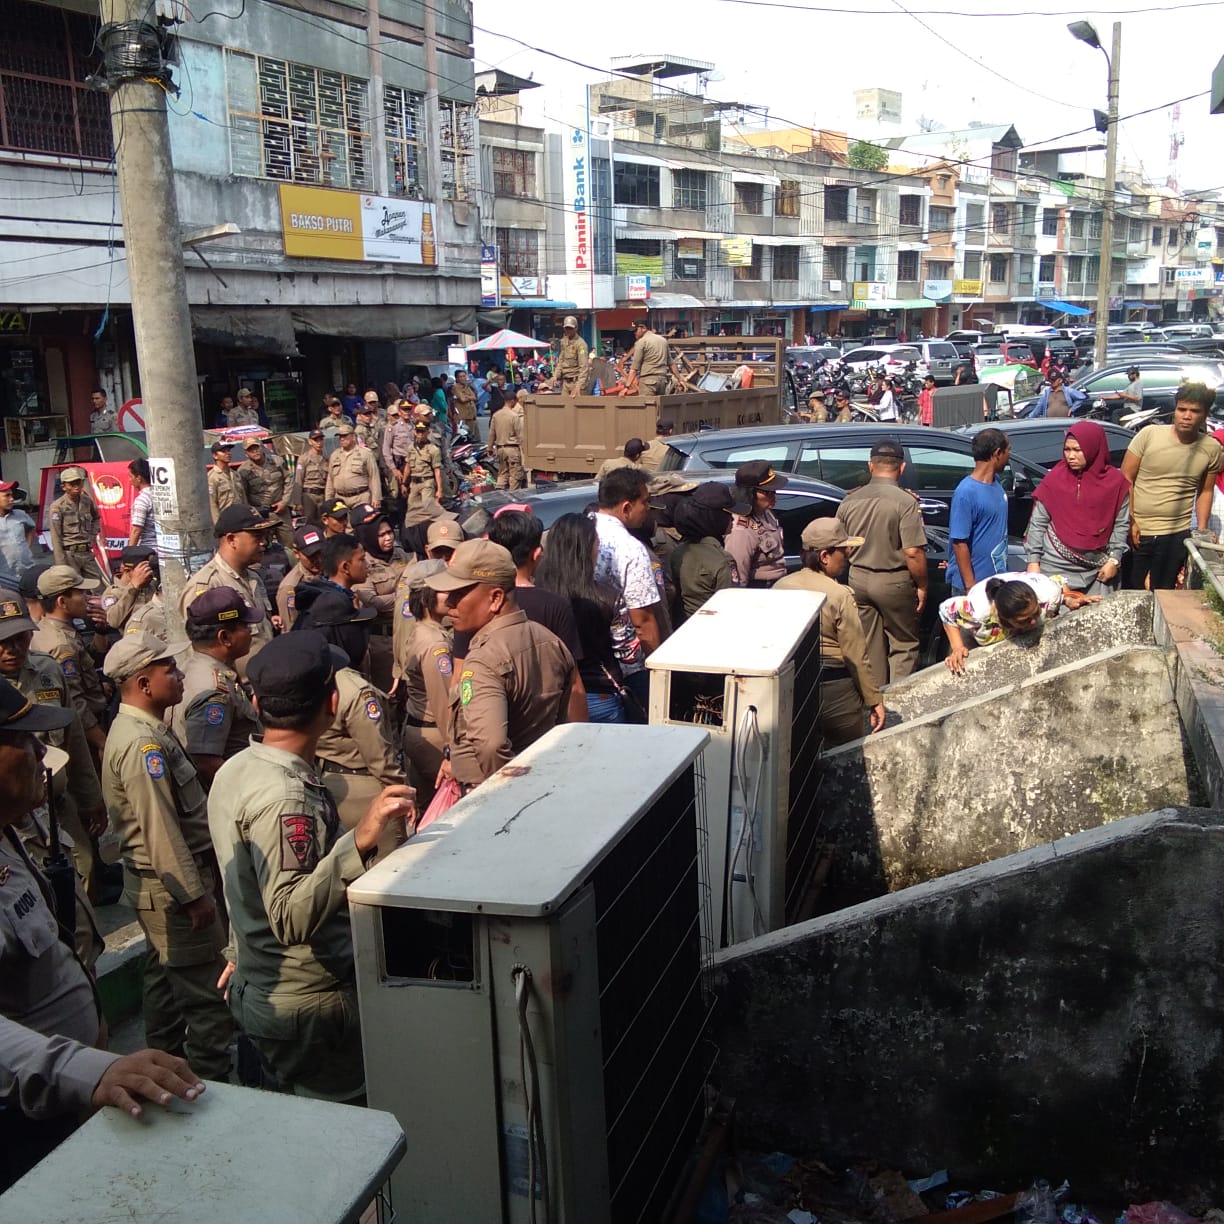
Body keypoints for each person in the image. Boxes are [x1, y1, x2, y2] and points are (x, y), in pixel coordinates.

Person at [207, 633, 415, 1101]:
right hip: (308, 1005)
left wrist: (239, 952)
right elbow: (289, 916)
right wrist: (361, 839)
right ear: (334, 701)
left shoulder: (238, 768)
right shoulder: (286, 796)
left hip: (264, 985)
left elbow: (242, 882)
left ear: (257, 701)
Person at [101, 634, 234, 1082]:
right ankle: (214, 1081)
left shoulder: (147, 732)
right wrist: (194, 896)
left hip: (161, 888)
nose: (179, 677)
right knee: (208, 996)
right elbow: (161, 830)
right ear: (143, 683)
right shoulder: (143, 746)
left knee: (164, 981)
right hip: (174, 887)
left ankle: (162, 1062)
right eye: (169, 671)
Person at [426, 540, 574, 790]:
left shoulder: (483, 660)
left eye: (459, 593)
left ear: (495, 598)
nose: (448, 602)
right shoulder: (550, 641)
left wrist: (511, 793)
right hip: (543, 779)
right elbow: (567, 724)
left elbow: (490, 745)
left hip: (492, 794)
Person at [0, 595, 107, 900]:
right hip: (13, 813)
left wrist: (90, 797)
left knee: (82, 869)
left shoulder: (48, 669)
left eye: (20, 638)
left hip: (58, 800)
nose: (13, 649)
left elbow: (73, 737)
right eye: (4, 641)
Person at [291, 584, 407, 858]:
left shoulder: (307, 673)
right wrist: (401, 792)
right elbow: (381, 758)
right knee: (385, 875)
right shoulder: (354, 688)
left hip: (323, 783)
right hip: (365, 792)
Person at [774, 519, 885, 746]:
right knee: (845, 756)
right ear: (825, 556)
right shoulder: (839, 595)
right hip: (835, 692)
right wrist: (874, 699)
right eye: (844, 552)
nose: (847, 558)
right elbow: (856, 655)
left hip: (791, 690)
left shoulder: (780, 586)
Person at [835, 439, 929, 685]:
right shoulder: (906, 502)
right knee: (904, 644)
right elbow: (913, 552)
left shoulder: (849, 501)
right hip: (893, 580)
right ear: (903, 468)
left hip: (858, 578)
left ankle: (874, 705)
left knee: (870, 645)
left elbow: (839, 544)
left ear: (870, 466)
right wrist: (922, 585)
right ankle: (899, 705)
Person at [1121, 381, 1223, 590]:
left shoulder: (1211, 448)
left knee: (1164, 591)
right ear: (1174, 410)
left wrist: (1201, 529)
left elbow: (1205, 491)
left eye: (1194, 411)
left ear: (1204, 415)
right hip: (1139, 530)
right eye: (1181, 409)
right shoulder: (1149, 435)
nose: (1186, 416)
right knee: (1134, 589)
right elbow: (1126, 479)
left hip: (1177, 532)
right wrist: (1131, 521)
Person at [536, 512, 630, 723]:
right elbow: (627, 653)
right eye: (596, 543)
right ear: (587, 549)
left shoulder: (538, 595)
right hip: (599, 695)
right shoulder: (609, 597)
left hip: (551, 696)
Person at [168, 589, 263, 787]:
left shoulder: (193, 668)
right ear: (225, 638)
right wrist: (249, 795)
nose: (250, 632)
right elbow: (207, 762)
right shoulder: (214, 691)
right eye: (245, 626)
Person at [1025, 420, 1130, 595]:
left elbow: (1121, 524)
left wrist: (1114, 560)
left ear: (1093, 449)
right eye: (1067, 449)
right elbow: (1038, 523)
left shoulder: (1116, 484)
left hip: (1099, 570)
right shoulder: (1054, 480)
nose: (1071, 456)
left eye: (1077, 450)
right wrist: (1033, 561)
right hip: (1054, 567)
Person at [594, 467, 665, 719]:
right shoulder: (631, 549)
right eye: (645, 502)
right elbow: (642, 619)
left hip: (586, 664)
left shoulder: (579, 532)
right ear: (626, 507)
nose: (647, 509)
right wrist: (658, 670)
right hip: (626, 669)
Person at [179, 505, 276, 667]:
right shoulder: (206, 585)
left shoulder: (253, 578)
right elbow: (202, 652)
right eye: (257, 536)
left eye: (265, 537)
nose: (264, 543)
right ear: (232, 540)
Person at [939, 571, 1092, 672]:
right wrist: (958, 647)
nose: (1033, 622)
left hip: (1026, 586)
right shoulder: (977, 610)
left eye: (1035, 613)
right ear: (1005, 618)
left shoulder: (1047, 593)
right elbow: (946, 611)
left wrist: (1068, 599)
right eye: (1025, 620)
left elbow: (1058, 581)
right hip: (979, 629)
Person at [31, 566, 106, 758]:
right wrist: (102, 741)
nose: (87, 598)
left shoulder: (47, 628)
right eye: (80, 593)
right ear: (62, 601)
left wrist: (100, 630)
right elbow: (75, 702)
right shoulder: (61, 645)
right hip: (86, 732)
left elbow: (88, 659)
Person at [395, 560, 452, 807]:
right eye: (445, 589)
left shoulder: (422, 631)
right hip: (435, 735)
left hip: (419, 729)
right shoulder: (435, 644)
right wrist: (454, 749)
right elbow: (445, 702)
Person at [947, 428, 1010, 594]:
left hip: (996, 581)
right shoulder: (966, 492)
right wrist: (971, 587)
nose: (1009, 456)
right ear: (998, 453)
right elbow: (959, 543)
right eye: (1008, 451)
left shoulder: (996, 483)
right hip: (974, 587)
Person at [352, 509, 409, 693]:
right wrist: (407, 595)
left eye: (390, 532)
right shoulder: (362, 563)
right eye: (381, 535)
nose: (388, 538)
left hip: (408, 634)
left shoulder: (401, 554)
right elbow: (372, 602)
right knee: (387, 694)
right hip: (382, 641)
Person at [668, 483, 738, 624]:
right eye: (728, 514)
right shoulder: (722, 560)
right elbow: (729, 604)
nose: (732, 519)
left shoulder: (677, 552)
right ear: (715, 518)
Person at [726, 460, 788, 588]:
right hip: (759, 591)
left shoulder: (766, 513)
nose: (773, 495)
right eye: (767, 492)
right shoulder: (740, 530)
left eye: (774, 491)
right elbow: (738, 579)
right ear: (750, 494)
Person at [48, 467, 106, 587]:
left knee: (97, 586)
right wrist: (61, 564)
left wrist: (92, 536)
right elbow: (55, 536)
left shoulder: (87, 501)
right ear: (64, 486)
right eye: (71, 484)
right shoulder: (58, 507)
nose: (76, 486)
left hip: (86, 552)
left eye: (78, 483)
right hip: (69, 554)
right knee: (75, 588)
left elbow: (96, 518)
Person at [237, 439, 292, 552]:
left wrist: (285, 501)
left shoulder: (277, 461)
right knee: (264, 547)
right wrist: (253, 514)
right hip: (261, 515)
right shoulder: (243, 471)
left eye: (257, 448)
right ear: (246, 453)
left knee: (289, 545)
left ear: (262, 448)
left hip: (281, 510)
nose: (255, 451)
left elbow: (288, 480)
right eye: (251, 450)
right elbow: (243, 495)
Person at [277, 524, 325, 630]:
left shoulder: (329, 570)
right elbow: (290, 630)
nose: (319, 560)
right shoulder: (290, 587)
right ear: (296, 553)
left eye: (320, 553)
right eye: (311, 556)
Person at [100, 545, 158, 633]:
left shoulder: (152, 586)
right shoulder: (114, 592)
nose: (149, 574)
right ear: (126, 570)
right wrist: (133, 588)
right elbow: (113, 621)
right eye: (145, 570)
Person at [324, 421, 381, 510]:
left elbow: (374, 477)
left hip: (361, 497)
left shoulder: (365, 453)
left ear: (353, 437)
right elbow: (330, 480)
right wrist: (328, 499)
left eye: (345, 436)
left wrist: (376, 498)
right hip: (340, 498)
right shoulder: (335, 455)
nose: (342, 439)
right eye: (340, 437)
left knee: (362, 522)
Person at [620, 317, 671, 396]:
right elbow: (671, 363)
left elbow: (634, 368)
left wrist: (627, 387)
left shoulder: (641, 342)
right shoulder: (663, 340)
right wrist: (680, 379)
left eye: (636, 330)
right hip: (662, 381)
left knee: (647, 407)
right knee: (659, 406)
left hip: (648, 381)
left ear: (643, 328)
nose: (634, 333)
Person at [0, 478, 34, 589]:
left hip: (26, 571)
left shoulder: (20, 515)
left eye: (12, 495)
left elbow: (31, 528)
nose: (11, 499)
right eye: (7, 496)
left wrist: (27, 547)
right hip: (5, 578)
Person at [291, 430, 329, 526]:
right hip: (308, 495)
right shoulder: (304, 458)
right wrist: (297, 502)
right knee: (309, 522)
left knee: (324, 521)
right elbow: (298, 480)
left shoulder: (326, 458)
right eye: (316, 440)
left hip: (322, 494)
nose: (319, 443)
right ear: (310, 441)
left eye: (321, 439)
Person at [489, 391, 525, 491]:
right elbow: (520, 435)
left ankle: (499, 494)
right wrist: (524, 451)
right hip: (512, 449)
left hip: (500, 449)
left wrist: (489, 448)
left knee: (502, 473)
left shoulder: (496, 415)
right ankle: (513, 496)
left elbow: (492, 433)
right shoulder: (514, 416)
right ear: (512, 401)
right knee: (515, 476)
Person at [207, 443, 245, 526]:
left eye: (228, 451)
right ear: (215, 456)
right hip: (225, 520)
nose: (228, 453)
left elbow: (244, 498)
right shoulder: (212, 477)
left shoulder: (235, 474)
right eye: (223, 451)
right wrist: (218, 525)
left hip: (240, 518)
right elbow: (212, 504)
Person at [553, 316, 591, 396]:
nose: (568, 330)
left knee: (577, 407)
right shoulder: (564, 342)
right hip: (565, 383)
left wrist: (579, 386)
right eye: (566, 328)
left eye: (570, 328)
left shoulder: (580, 344)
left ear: (576, 328)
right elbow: (561, 360)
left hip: (576, 382)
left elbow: (584, 367)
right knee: (564, 406)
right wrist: (556, 375)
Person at [127, 458, 157, 549]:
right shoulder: (159, 496)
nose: (129, 480)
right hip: (164, 550)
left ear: (139, 478)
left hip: (148, 550)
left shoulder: (142, 500)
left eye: (131, 476)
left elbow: (136, 530)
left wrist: (129, 554)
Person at [452, 369, 479, 440]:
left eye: (464, 376)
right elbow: (462, 399)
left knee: (473, 436)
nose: (463, 378)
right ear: (457, 378)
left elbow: (474, 397)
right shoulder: (455, 387)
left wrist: (467, 397)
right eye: (460, 377)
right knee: (464, 437)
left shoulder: (467, 387)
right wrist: (469, 397)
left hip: (471, 415)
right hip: (462, 417)